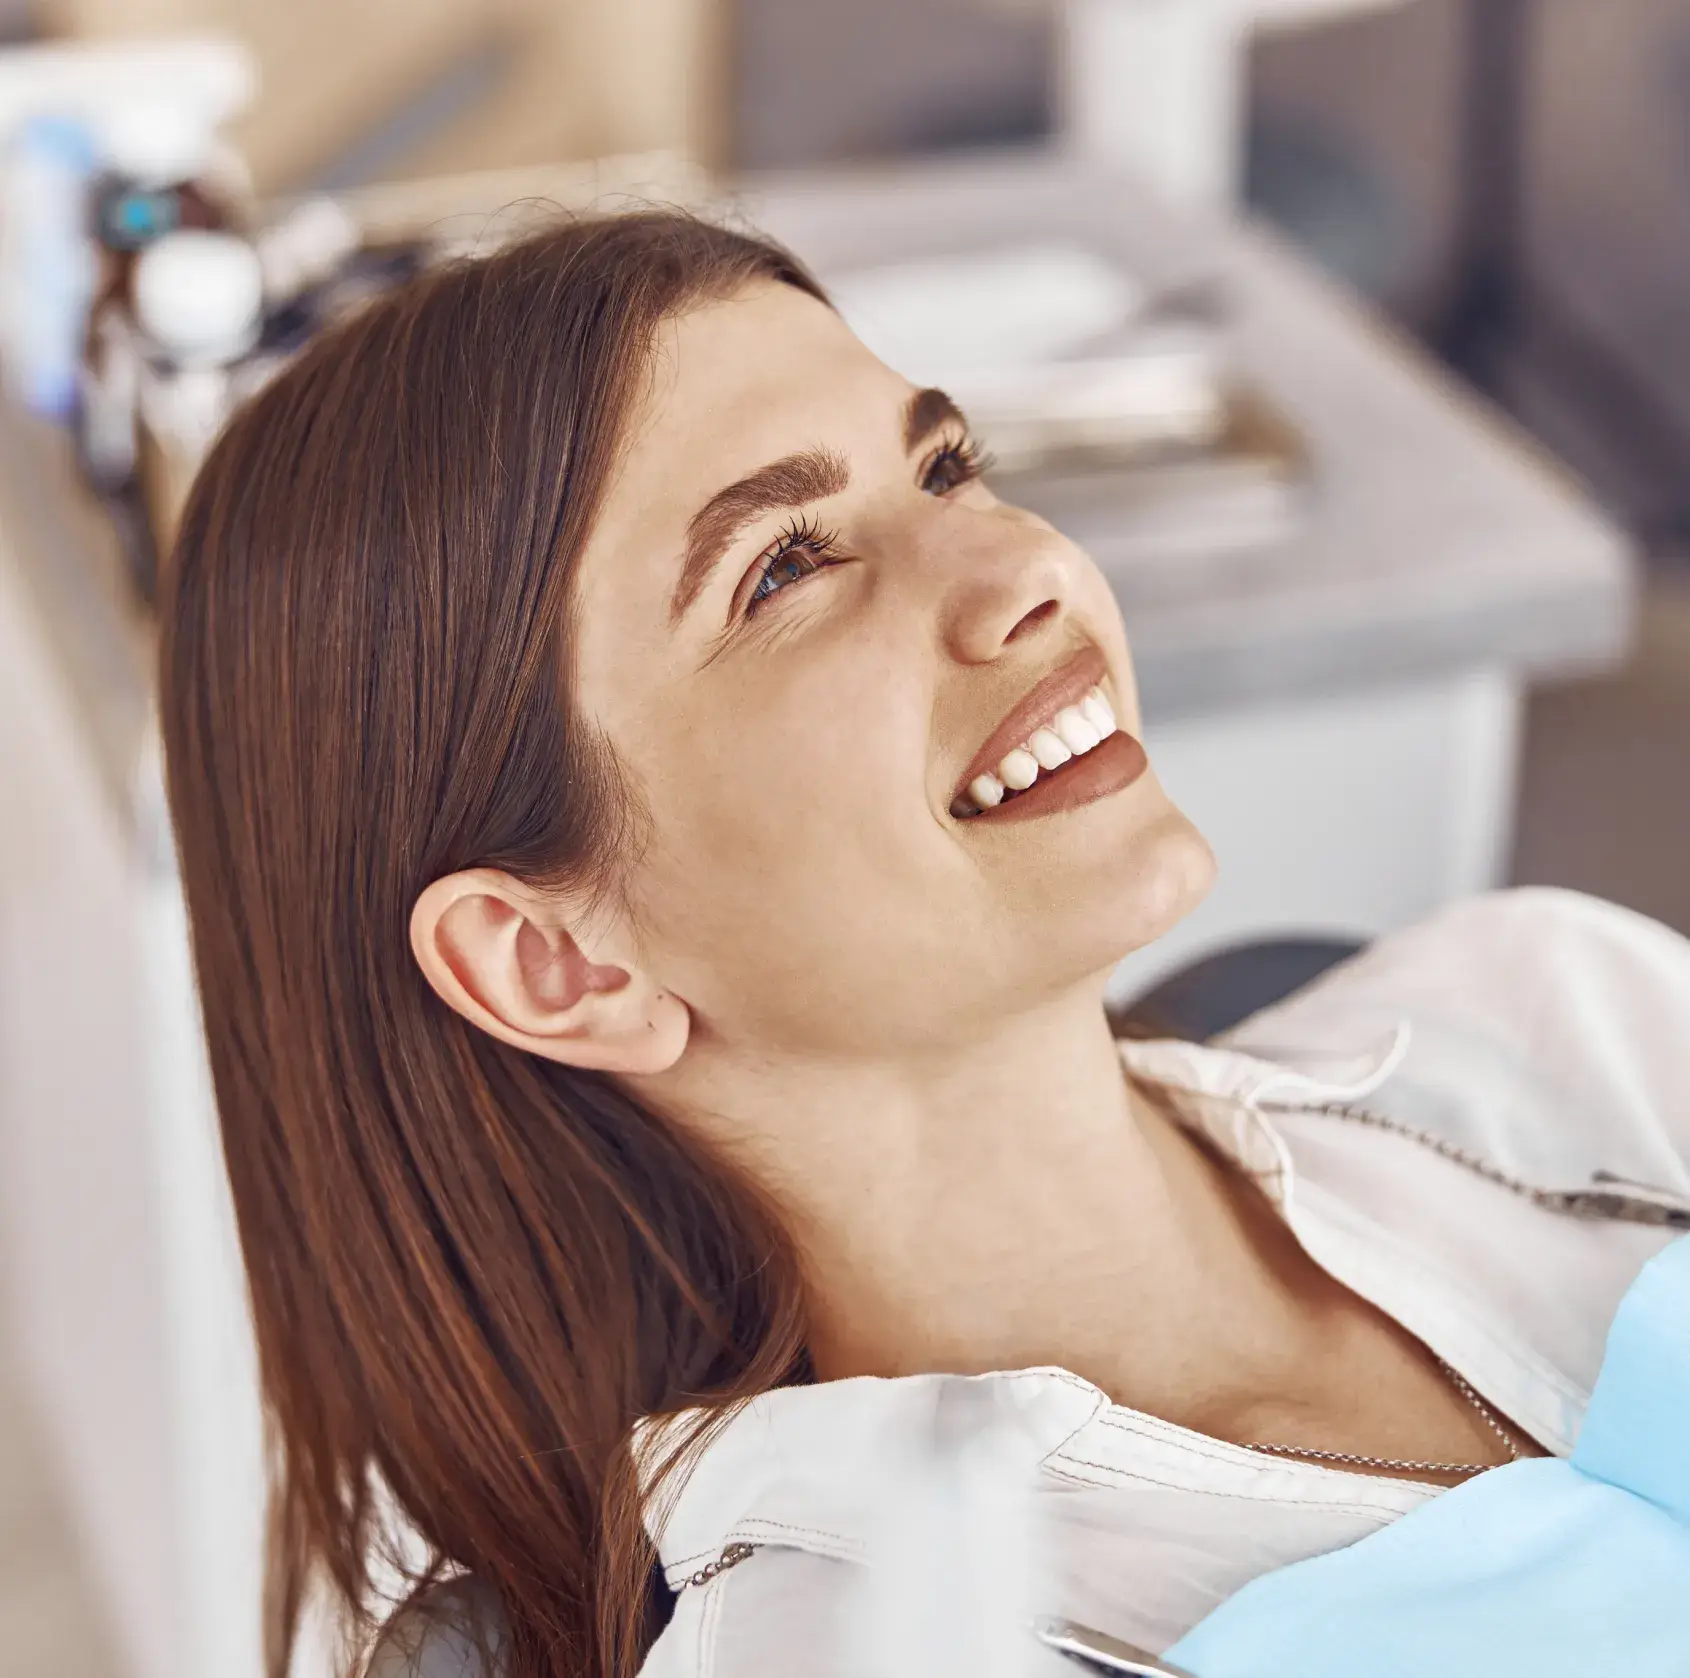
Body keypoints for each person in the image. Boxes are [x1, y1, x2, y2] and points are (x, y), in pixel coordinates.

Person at [156, 211, 1690, 1678]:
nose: (1025, 572)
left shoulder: (1553, 1013)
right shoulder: (872, 1643)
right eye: (785, 566)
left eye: (948, 466)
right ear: (558, 963)